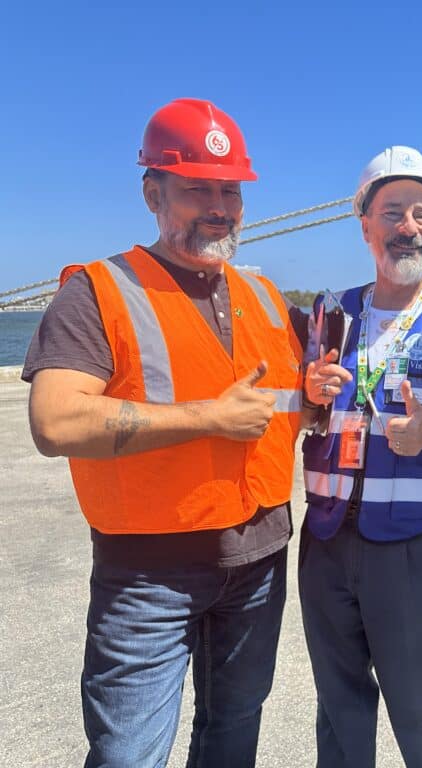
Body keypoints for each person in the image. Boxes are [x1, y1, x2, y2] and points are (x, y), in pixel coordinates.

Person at [23, 98, 316, 767]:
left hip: (261, 559)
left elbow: (300, 407)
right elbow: (57, 419)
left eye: (229, 190)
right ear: (152, 191)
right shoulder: (98, 293)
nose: (218, 206)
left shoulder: (271, 298)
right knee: (129, 754)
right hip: (147, 576)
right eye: (195, 188)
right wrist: (207, 419)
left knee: (234, 731)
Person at [298, 145, 422, 768]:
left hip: (420, 548)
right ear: (365, 227)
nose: (408, 227)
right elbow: (308, 418)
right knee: (339, 716)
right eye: (392, 213)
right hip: (328, 541)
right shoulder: (330, 312)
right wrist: (307, 399)